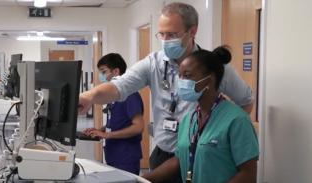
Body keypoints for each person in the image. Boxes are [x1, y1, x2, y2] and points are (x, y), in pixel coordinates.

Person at [79, 2, 253, 182]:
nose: (165, 40)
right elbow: (120, 86)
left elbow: (246, 101)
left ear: (192, 31)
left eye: (171, 34)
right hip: (167, 154)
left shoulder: (215, 68)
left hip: (204, 154)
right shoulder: (155, 64)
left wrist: (226, 133)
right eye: (161, 34)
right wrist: (88, 97)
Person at [143, 46, 259, 183]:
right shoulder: (189, 118)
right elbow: (180, 159)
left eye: (187, 75)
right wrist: (142, 179)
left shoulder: (237, 120)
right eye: (179, 76)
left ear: (209, 80)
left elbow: (248, 174)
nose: (180, 82)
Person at [83, 53, 144, 175]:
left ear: (116, 71)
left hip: (126, 156)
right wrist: (99, 130)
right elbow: (117, 121)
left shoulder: (130, 95)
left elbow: (138, 127)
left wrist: (107, 135)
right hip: (113, 153)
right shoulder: (115, 96)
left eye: (104, 72)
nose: (101, 76)